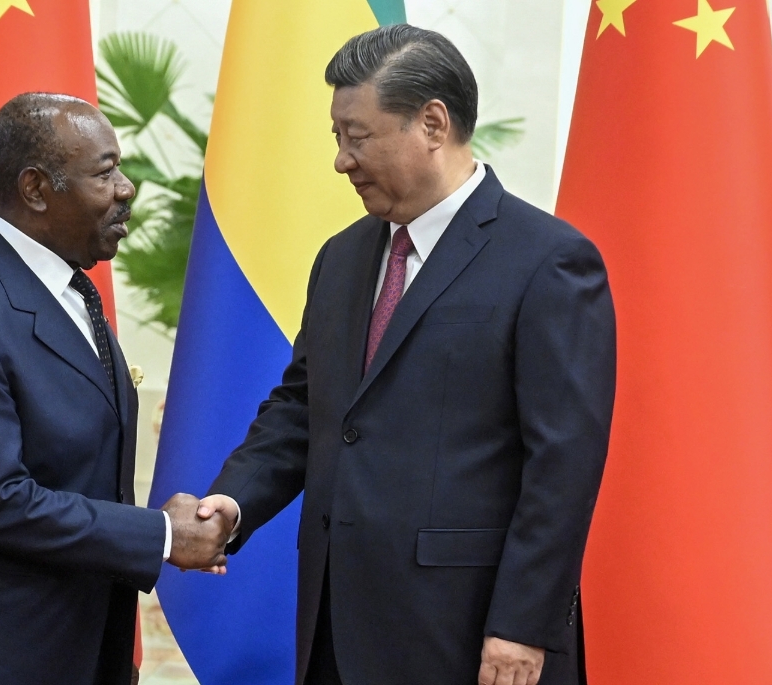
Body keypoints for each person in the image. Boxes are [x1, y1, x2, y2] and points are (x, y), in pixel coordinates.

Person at [195, 26, 617, 685]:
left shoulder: (549, 260)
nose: (342, 160)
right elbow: (305, 407)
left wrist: (522, 624)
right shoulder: (340, 257)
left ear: (433, 123)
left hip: (470, 634)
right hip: (335, 627)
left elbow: (562, 466)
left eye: (357, 136)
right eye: (336, 137)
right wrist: (234, 501)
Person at [0, 93, 230, 685]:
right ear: (35, 189)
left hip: (66, 634)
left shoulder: (66, 286)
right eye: (104, 173)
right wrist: (160, 534)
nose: (127, 188)